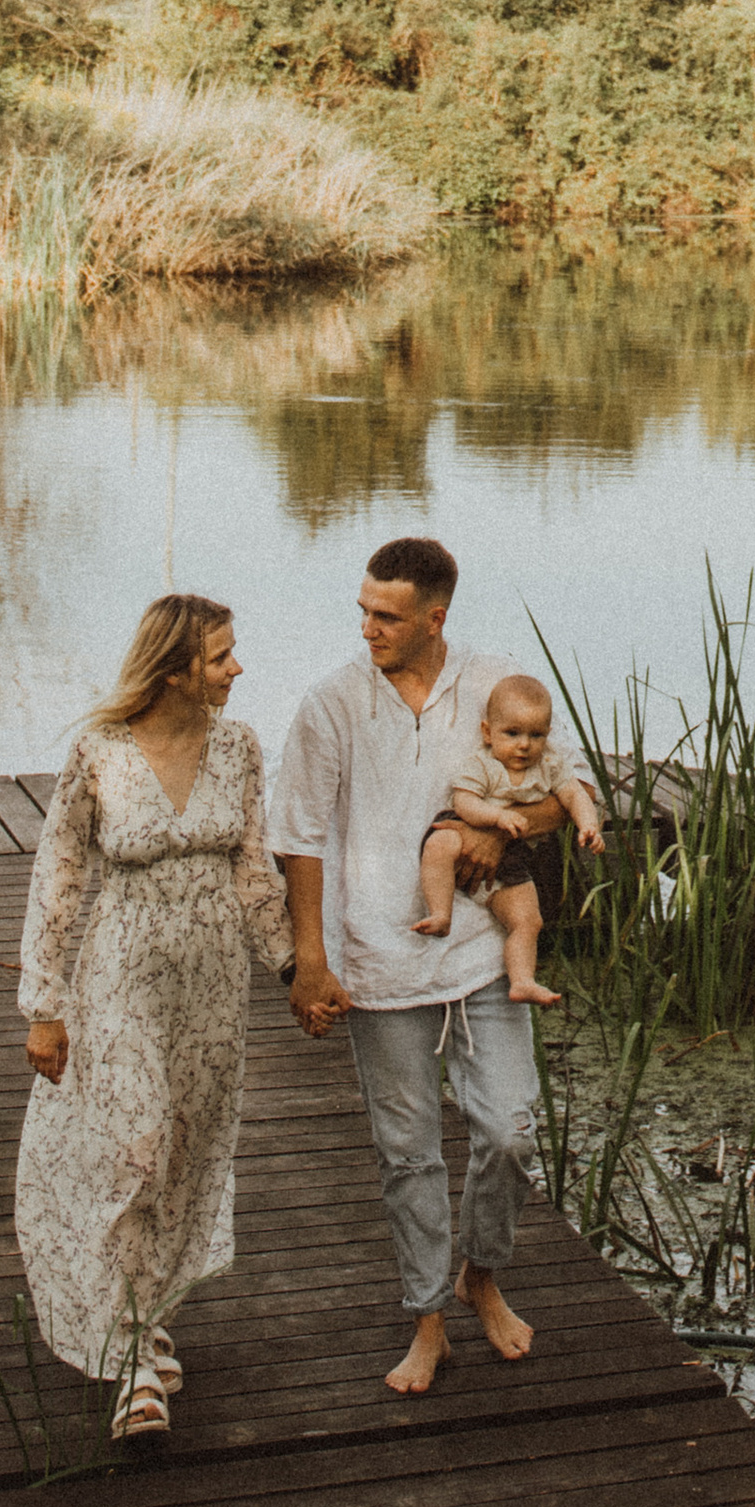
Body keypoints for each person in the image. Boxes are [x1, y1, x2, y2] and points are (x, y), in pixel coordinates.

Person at [270, 535, 600, 1397]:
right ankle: (427, 1320)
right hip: (378, 964)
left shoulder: (495, 685)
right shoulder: (332, 704)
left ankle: (481, 1274)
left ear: (434, 618)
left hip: (483, 958)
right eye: (365, 611)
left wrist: (500, 832)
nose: (368, 627)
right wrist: (310, 962)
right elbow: (298, 840)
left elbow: (568, 792)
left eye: (387, 616)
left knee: (509, 1130)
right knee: (407, 1154)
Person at [13, 593, 294, 1441]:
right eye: (220, 658)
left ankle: (146, 1310)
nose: (237, 668)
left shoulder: (239, 748)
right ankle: (132, 1361)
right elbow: (58, 877)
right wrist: (44, 1005)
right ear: (174, 668)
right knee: (131, 1148)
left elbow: (252, 868)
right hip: (119, 982)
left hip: (212, 990)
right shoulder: (100, 750)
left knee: (183, 1153)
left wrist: (294, 966)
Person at [411, 668, 605, 1006]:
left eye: (536, 735)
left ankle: (523, 981)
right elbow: (465, 801)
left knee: (529, 921)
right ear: (488, 733)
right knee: (439, 842)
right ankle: (440, 911)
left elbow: (575, 796)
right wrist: (497, 817)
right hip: (469, 825)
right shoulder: (483, 765)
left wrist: (589, 825)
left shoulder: (550, 766)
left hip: (511, 855)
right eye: (512, 733)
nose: (524, 745)